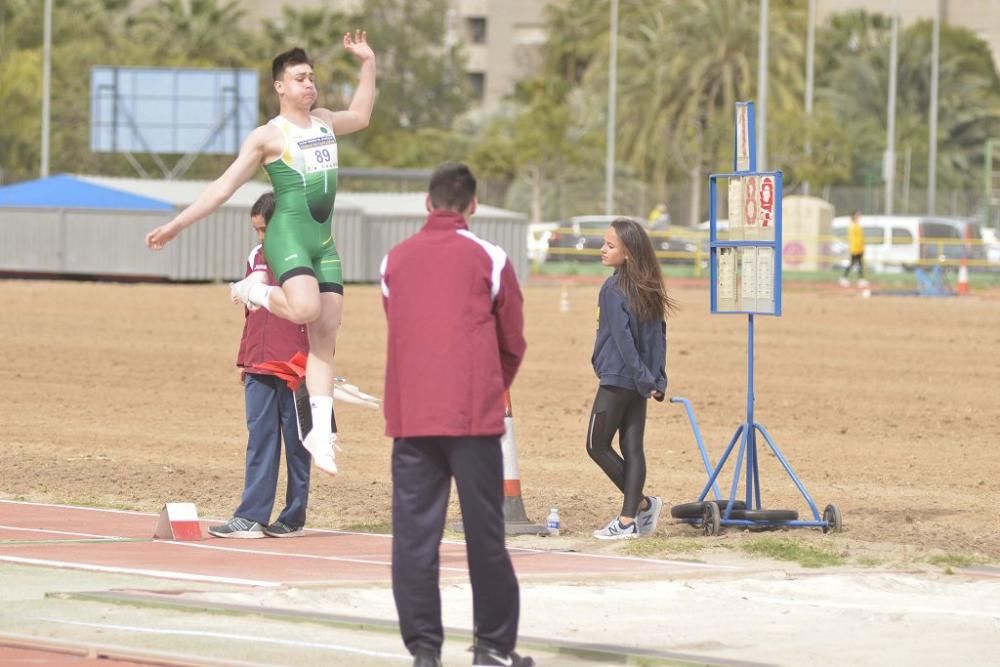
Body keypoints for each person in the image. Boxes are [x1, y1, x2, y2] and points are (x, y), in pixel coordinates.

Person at [145, 34, 377, 476]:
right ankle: (256, 289)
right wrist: (176, 225)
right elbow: (223, 186)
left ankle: (321, 435)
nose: (310, 85)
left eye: (312, 77)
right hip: (287, 236)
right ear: (280, 87)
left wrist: (368, 63)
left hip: (324, 242)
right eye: (300, 78)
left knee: (325, 336)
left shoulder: (326, 121)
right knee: (306, 308)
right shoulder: (269, 136)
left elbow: (363, 115)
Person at [379, 163, 533, 667]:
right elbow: (512, 342)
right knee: (484, 535)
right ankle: (492, 649)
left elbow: (402, 327)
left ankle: (425, 652)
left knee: (414, 539)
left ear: (427, 203)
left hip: (413, 420)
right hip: (472, 419)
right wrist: (490, 388)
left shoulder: (393, 262)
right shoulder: (491, 257)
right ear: (473, 206)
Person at [210, 192, 312, 539]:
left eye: (265, 229)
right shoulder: (255, 256)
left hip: (296, 364)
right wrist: (246, 357)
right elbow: (252, 311)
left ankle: (294, 517)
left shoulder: (306, 254)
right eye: (257, 230)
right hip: (259, 362)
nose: (261, 238)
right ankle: (250, 516)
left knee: (299, 443)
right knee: (260, 439)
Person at [588, 217, 676, 540]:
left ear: (628, 254)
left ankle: (632, 514)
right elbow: (658, 338)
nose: (603, 249)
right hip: (640, 382)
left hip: (618, 378)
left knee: (596, 445)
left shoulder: (612, 289)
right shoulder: (647, 288)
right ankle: (638, 510)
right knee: (632, 447)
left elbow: (624, 342)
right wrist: (655, 379)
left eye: (610, 246)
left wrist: (644, 377)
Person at [840, 210, 868, 288]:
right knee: (853, 263)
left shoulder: (857, 225)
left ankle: (861, 279)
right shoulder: (853, 226)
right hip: (855, 249)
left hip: (859, 248)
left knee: (859, 264)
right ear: (853, 217)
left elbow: (861, 238)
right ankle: (844, 278)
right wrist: (854, 248)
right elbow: (852, 239)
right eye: (857, 215)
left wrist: (862, 247)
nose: (859, 217)